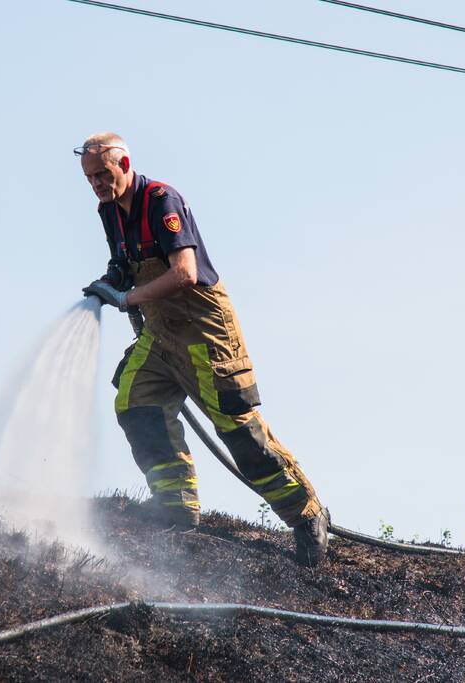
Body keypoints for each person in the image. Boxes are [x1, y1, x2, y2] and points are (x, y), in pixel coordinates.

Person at [78, 132, 330, 566]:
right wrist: (114, 281)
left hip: (204, 333)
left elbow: (185, 274)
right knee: (135, 401)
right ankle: (174, 504)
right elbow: (126, 262)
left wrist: (128, 299)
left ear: (124, 165)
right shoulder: (109, 211)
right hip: (161, 333)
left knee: (237, 430)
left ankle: (307, 515)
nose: (98, 183)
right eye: (90, 177)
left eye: (103, 174)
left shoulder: (161, 201)